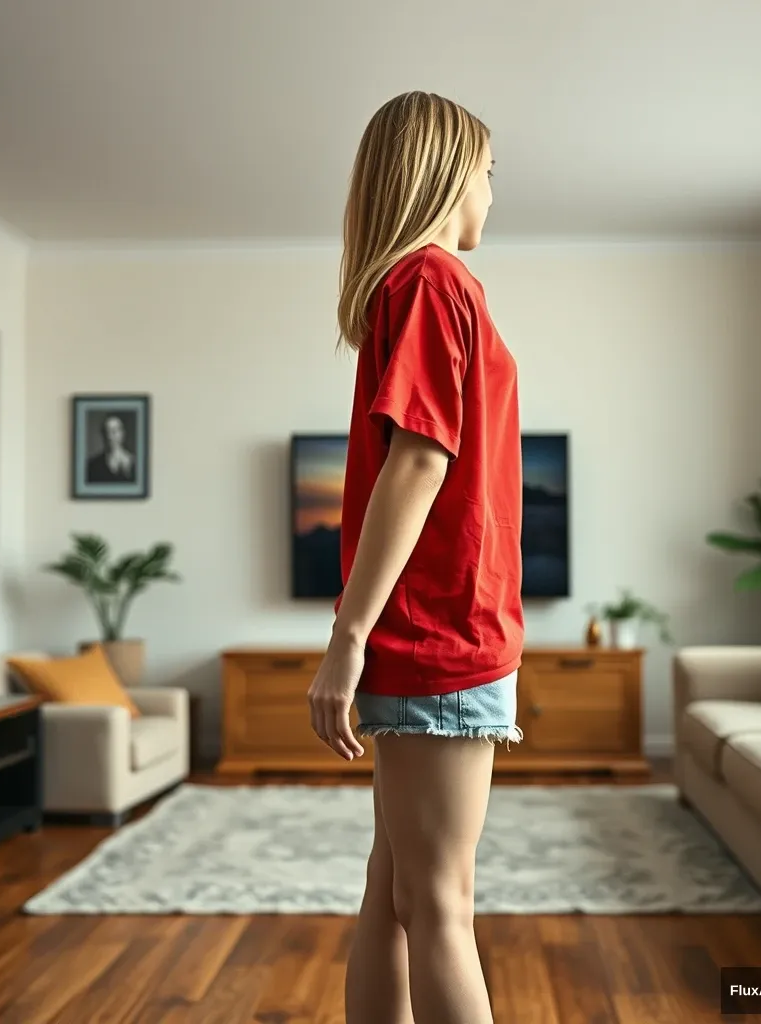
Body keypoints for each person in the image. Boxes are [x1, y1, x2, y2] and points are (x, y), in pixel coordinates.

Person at [307, 91, 524, 1024]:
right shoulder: (434, 281)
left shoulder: (412, 287)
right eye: (486, 170)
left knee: (394, 897)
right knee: (439, 906)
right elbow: (423, 459)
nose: (492, 189)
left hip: (426, 632)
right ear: (444, 173)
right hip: (442, 635)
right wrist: (347, 636)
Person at [86, 413, 136, 484]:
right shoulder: (92, 465)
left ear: (122, 433)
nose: (109, 436)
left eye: (114, 431)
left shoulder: (134, 463)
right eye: (106, 432)